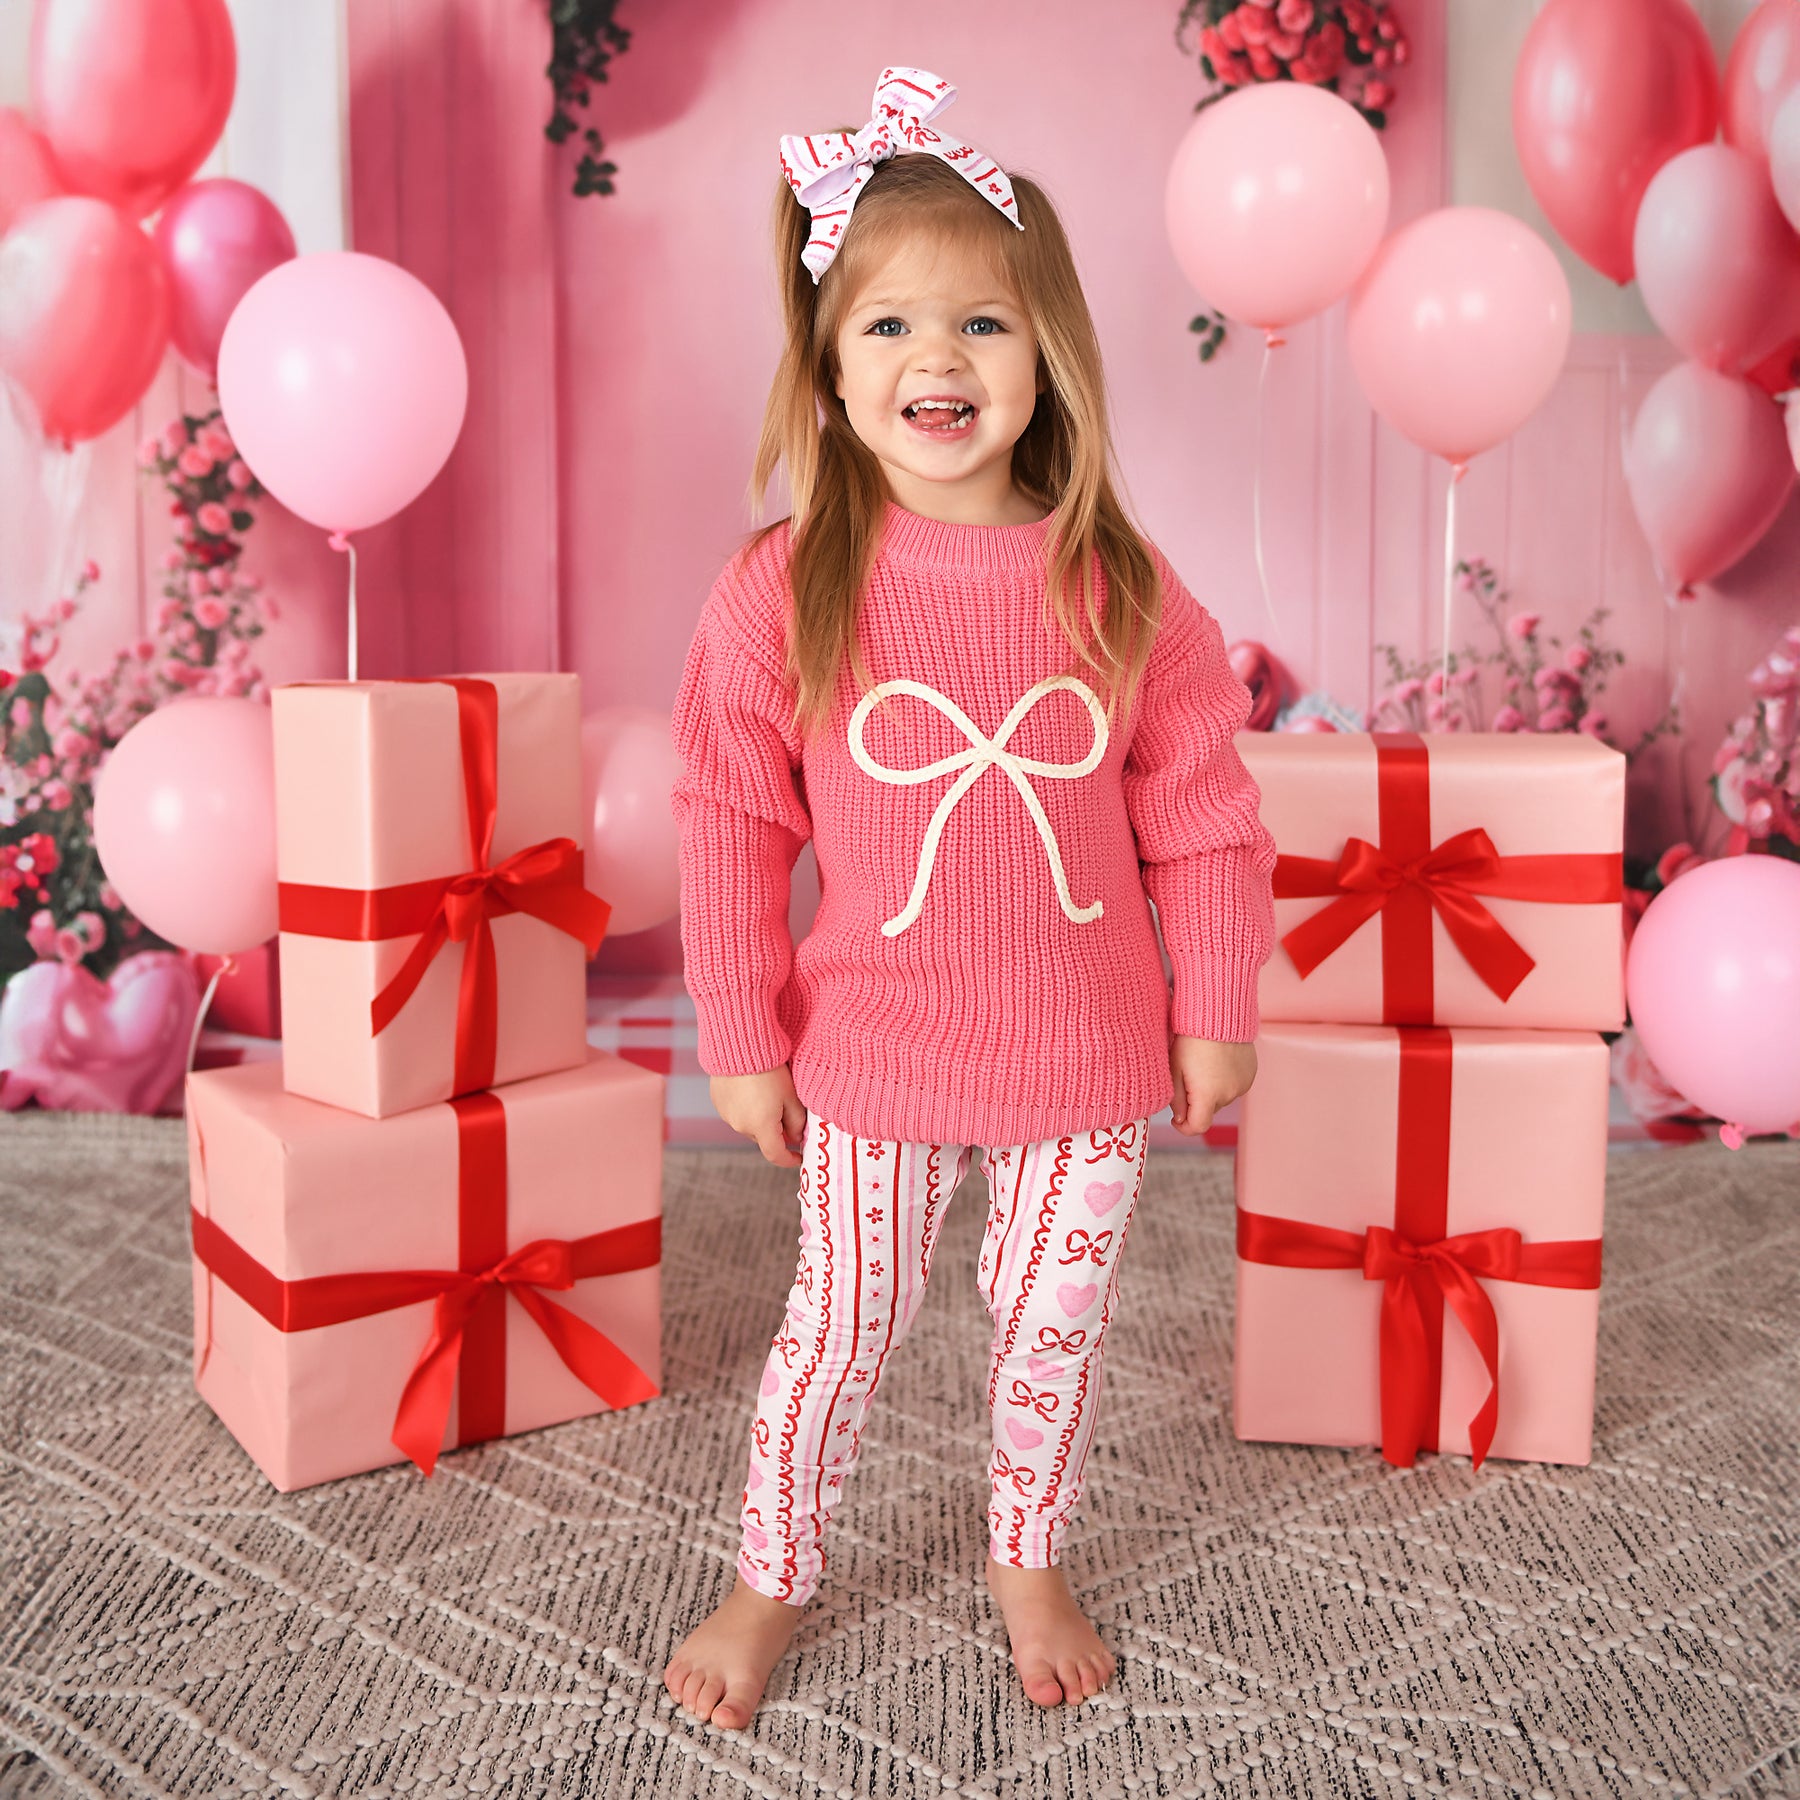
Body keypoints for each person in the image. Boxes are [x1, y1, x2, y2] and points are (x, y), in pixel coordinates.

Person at [661, 66, 1276, 1731]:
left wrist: (1216, 1006)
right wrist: (743, 1034)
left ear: (1046, 353)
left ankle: (1027, 1556)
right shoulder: (782, 588)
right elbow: (730, 823)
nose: (937, 359)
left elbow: (1204, 813)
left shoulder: (1118, 583)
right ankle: (772, 1574)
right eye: (888, 327)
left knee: (1052, 1328)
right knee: (836, 1332)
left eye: (982, 324)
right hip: (875, 1050)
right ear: (828, 369)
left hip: (1084, 1052)